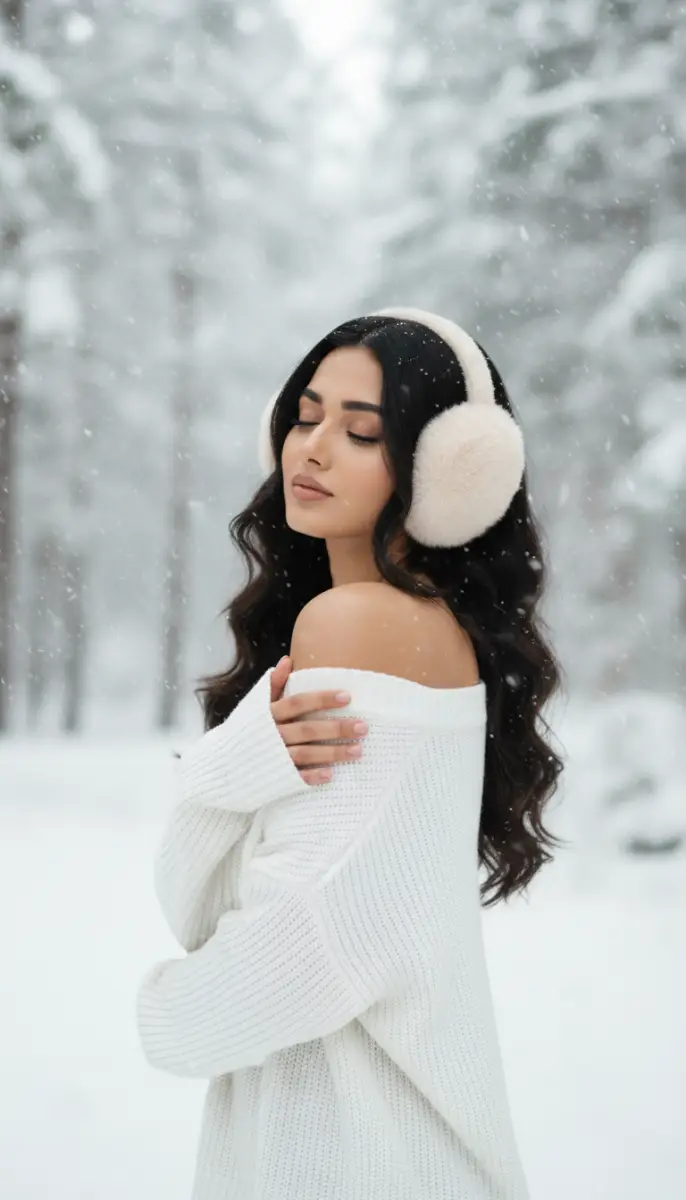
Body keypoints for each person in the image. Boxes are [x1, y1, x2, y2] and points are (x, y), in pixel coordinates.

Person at [136, 307, 566, 1199]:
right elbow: (216, 912)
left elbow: (278, 958)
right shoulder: (416, 628)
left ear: (449, 470)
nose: (314, 447)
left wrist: (165, 1014)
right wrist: (236, 765)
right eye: (305, 415)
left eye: (362, 430)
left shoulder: (357, 623)